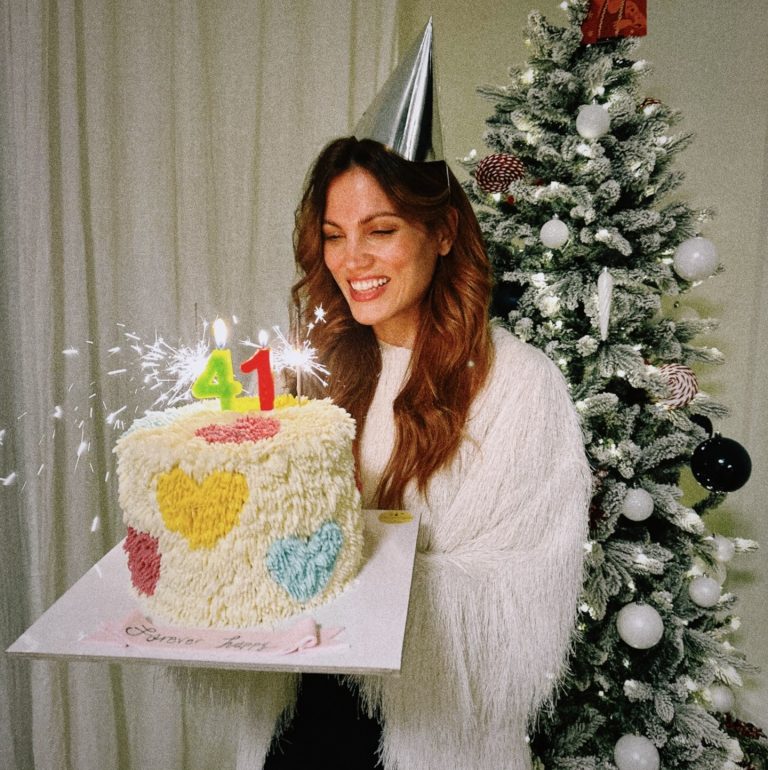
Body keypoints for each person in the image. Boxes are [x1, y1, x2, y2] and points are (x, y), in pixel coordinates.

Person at [265, 136, 591, 770]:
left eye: (380, 230)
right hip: (299, 721)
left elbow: (522, 596)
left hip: (430, 734)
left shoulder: (518, 383)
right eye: (333, 236)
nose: (352, 258)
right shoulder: (312, 372)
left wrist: (346, 564)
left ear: (442, 232)